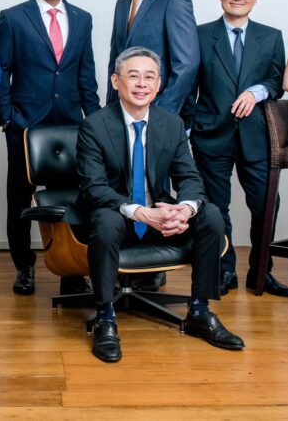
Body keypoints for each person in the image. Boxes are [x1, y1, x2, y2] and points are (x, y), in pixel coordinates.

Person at [66, 46, 243, 363]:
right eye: (133, 76)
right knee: (105, 222)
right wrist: (141, 212)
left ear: (159, 84)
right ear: (116, 81)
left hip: (159, 216)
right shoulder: (94, 125)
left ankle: (200, 311)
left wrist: (183, 209)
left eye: (149, 77)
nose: (141, 83)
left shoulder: (171, 124)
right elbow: (94, 188)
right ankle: (106, 317)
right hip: (116, 214)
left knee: (211, 215)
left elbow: (189, 176)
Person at [0, 0, 100, 296]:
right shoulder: (12, 17)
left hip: (71, 124)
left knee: (74, 197)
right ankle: (24, 266)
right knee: (20, 199)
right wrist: (7, 118)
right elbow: (0, 71)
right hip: (25, 125)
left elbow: (86, 75)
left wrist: (95, 123)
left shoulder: (83, 18)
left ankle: (72, 270)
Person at [186, 0, 288, 298]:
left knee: (266, 204)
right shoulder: (199, 34)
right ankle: (224, 269)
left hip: (257, 135)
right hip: (210, 133)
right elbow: (189, 85)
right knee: (216, 208)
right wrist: (187, 131)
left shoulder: (271, 36)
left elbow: (278, 81)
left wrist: (257, 91)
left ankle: (262, 271)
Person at [107, 0, 198, 114]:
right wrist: (109, 111)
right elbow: (115, 61)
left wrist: (163, 112)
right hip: (124, 112)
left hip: (160, 112)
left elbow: (187, 64)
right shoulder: (123, 3)